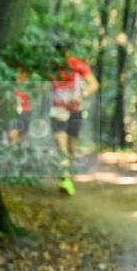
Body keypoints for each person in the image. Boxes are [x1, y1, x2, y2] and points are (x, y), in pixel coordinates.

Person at [50, 44, 99, 195]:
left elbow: (94, 84)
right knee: (61, 147)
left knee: (71, 147)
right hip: (57, 111)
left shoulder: (77, 65)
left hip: (75, 111)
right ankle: (65, 179)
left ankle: (67, 176)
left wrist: (81, 95)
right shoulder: (49, 68)